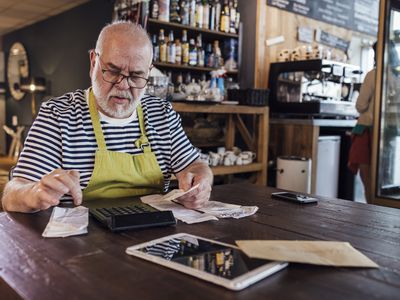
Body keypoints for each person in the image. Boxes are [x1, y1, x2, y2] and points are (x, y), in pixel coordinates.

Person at [1, 21, 213, 213]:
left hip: (152, 236)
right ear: (93, 62)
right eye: (112, 71)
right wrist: (35, 193)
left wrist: (201, 182)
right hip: (83, 244)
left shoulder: (162, 114)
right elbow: (12, 194)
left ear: (148, 72)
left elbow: (195, 166)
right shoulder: (58, 114)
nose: (123, 85)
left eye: (136, 76)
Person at [348, 42, 377, 203]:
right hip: (387, 134)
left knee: (368, 182)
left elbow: (360, 105)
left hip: (367, 131)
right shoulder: (395, 75)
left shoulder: (373, 75)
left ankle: (371, 215)